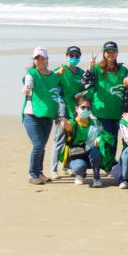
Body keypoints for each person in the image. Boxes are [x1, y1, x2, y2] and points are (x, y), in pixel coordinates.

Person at [21, 47, 64, 185]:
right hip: (31, 116)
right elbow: (28, 84)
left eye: (42, 58)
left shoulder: (53, 76)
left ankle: (39, 172)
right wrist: (26, 89)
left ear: (47, 60)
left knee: (42, 146)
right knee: (38, 145)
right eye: (37, 59)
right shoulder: (32, 73)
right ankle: (32, 174)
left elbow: (54, 95)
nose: (40, 61)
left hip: (48, 117)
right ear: (34, 60)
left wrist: (57, 114)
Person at [82, 41, 127, 170]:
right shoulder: (97, 68)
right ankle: (105, 166)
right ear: (104, 53)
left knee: (114, 141)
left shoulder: (123, 70)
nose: (110, 54)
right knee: (104, 141)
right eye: (108, 52)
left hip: (118, 113)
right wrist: (89, 70)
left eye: (113, 51)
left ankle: (110, 167)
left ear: (117, 53)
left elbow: (127, 92)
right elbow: (86, 84)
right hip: (101, 113)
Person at [50, 46, 86, 177]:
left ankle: (66, 166)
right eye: (71, 56)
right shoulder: (61, 70)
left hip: (75, 110)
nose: (74, 58)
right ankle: (53, 169)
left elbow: (84, 87)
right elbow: (48, 82)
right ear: (67, 57)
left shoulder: (81, 72)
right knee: (59, 139)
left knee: (71, 140)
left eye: (77, 55)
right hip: (62, 110)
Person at [60, 96, 103, 187]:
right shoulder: (73, 122)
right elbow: (67, 126)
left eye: (88, 108)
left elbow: (102, 134)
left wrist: (99, 139)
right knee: (79, 167)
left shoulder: (95, 122)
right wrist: (64, 122)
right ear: (77, 108)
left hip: (91, 152)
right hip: (77, 153)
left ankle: (96, 177)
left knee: (97, 153)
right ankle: (80, 174)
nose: (85, 109)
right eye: (83, 107)